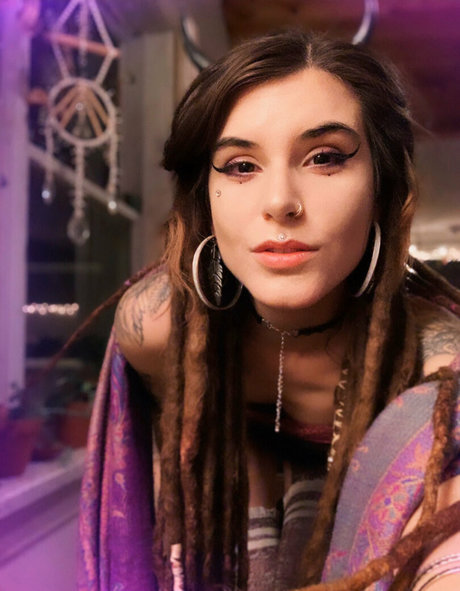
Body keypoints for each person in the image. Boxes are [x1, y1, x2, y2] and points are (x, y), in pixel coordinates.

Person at [77, 30, 460, 591]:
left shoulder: (438, 372)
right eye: (240, 166)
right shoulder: (157, 330)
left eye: (325, 158)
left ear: (382, 188)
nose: (280, 202)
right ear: (205, 197)